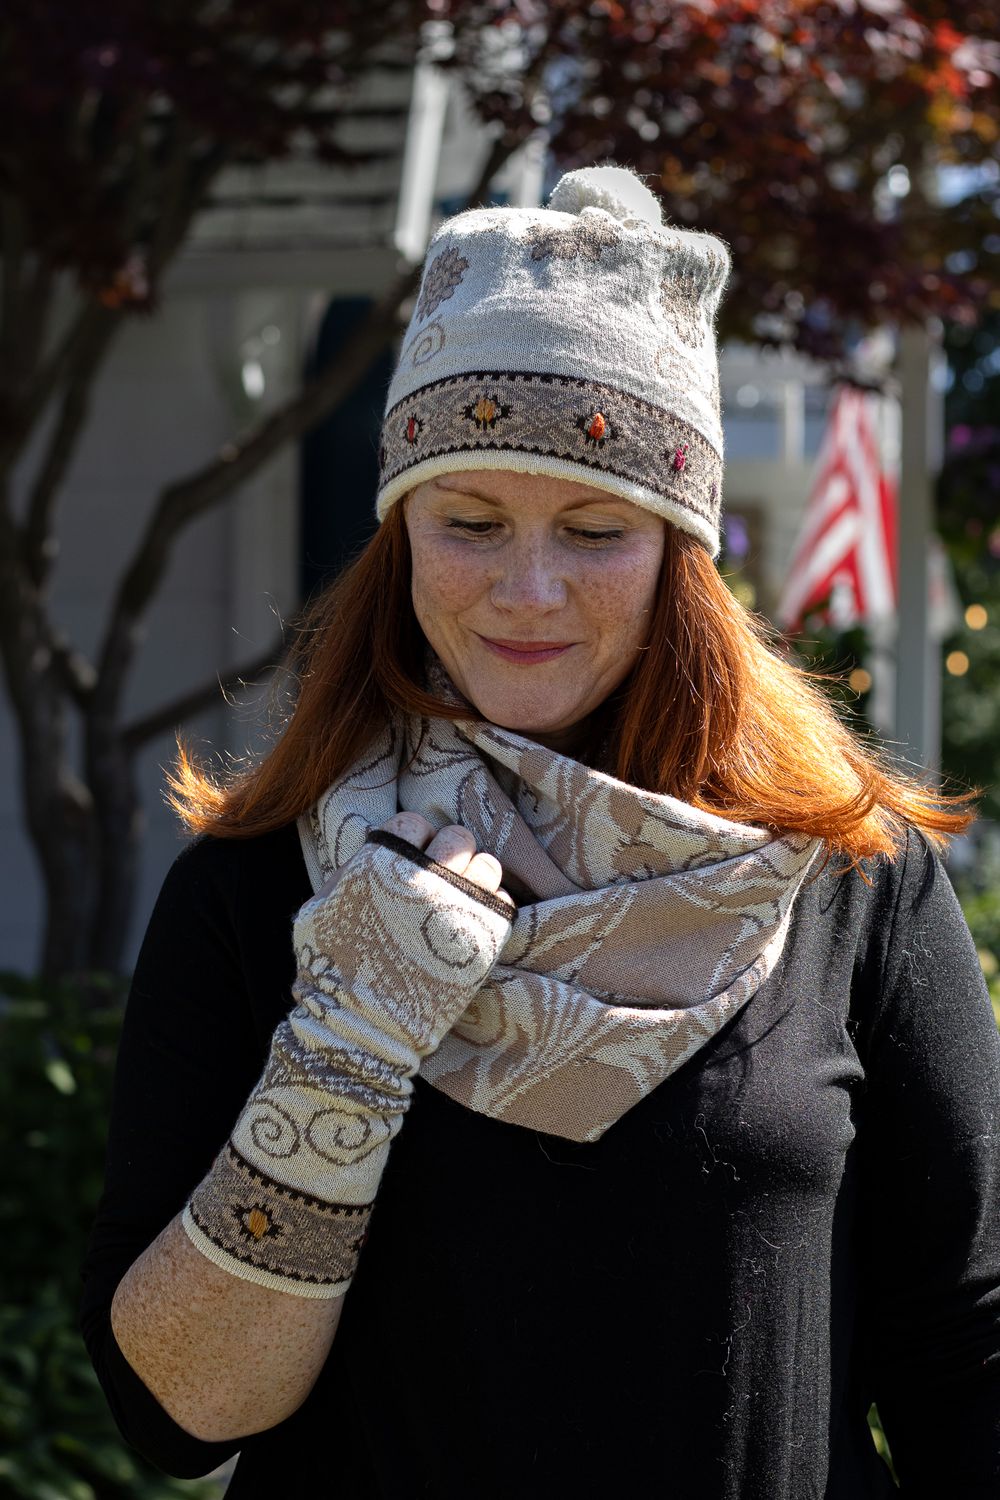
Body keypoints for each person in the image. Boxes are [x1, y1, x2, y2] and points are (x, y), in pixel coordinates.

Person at [80, 165, 1000, 1499]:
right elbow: (178, 1419)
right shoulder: (260, 886)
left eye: (595, 528)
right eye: (468, 522)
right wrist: (347, 1046)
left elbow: (965, 1353)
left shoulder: (848, 885)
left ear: (682, 554)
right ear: (398, 536)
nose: (529, 588)